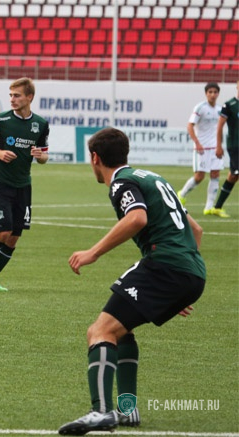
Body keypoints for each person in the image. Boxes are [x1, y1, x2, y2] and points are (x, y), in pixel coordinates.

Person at [58, 127, 206, 436]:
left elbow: (137, 218)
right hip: (190, 270)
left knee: (100, 331)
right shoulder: (152, 177)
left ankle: (101, 412)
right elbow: (196, 230)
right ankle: (127, 409)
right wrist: (180, 288)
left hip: (165, 265)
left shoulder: (121, 182)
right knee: (120, 330)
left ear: (95, 158)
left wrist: (93, 252)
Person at [0, 77, 49, 292]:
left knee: (14, 238)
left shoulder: (41, 124)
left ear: (29, 97)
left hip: (23, 186)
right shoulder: (0, 119)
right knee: (3, 233)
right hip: (0, 183)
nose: (12, 99)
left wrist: (40, 156)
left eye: (17, 95)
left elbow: (44, 157)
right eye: (10, 95)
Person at [177, 82, 222, 215]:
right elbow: (190, 125)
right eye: (210, 92)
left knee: (215, 174)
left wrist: (220, 145)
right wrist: (197, 143)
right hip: (202, 148)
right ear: (206, 93)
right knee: (199, 177)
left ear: (218, 94)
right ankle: (182, 194)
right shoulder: (200, 107)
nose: (213, 94)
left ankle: (208, 207)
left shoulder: (220, 109)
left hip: (215, 148)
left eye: (215, 92)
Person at [212, 80, 239, 217]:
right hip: (235, 145)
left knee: (233, 176)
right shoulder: (229, 105)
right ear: (237, 86)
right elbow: (220, 127)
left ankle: (217, 207)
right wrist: (218, 146)